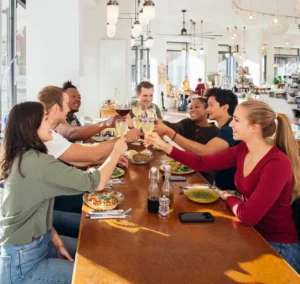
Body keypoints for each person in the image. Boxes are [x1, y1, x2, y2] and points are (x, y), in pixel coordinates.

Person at [147, 100, 300, 274]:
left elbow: (248, 215)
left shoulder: (277, 163)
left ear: (254, 128)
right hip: (253, 234)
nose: (231, 124)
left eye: (236, 120)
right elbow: (203, 163)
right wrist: (165, 146)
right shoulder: (243, 149)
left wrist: (227, 196)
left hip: (278, 247)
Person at [0, 102, 128, 283]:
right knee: (97, 276)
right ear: (30, 127)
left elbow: (31, 210)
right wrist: (116, 152)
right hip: (23, 263)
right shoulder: (36, 163)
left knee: (100, 254)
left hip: (38, 243)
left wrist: (55, 239)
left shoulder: (24, 156)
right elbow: (94, 183)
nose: (51, 123)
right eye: (45, 119)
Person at [156, 88, 238, 191]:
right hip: (219, 187)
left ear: (225, 108)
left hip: (230, 192)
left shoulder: (230, 129)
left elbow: (205, 151)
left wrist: (169, 133)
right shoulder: (225, 129)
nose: (208, 109)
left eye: (211, 105)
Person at [154, 97, 219, 183]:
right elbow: (173, 127)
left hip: (204, 176)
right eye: (191, 107)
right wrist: (161, 123)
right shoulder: (187, 123)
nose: (192, 110)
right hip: (186, 170)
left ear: (207, 109)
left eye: (197, 107)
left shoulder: (215, 132)